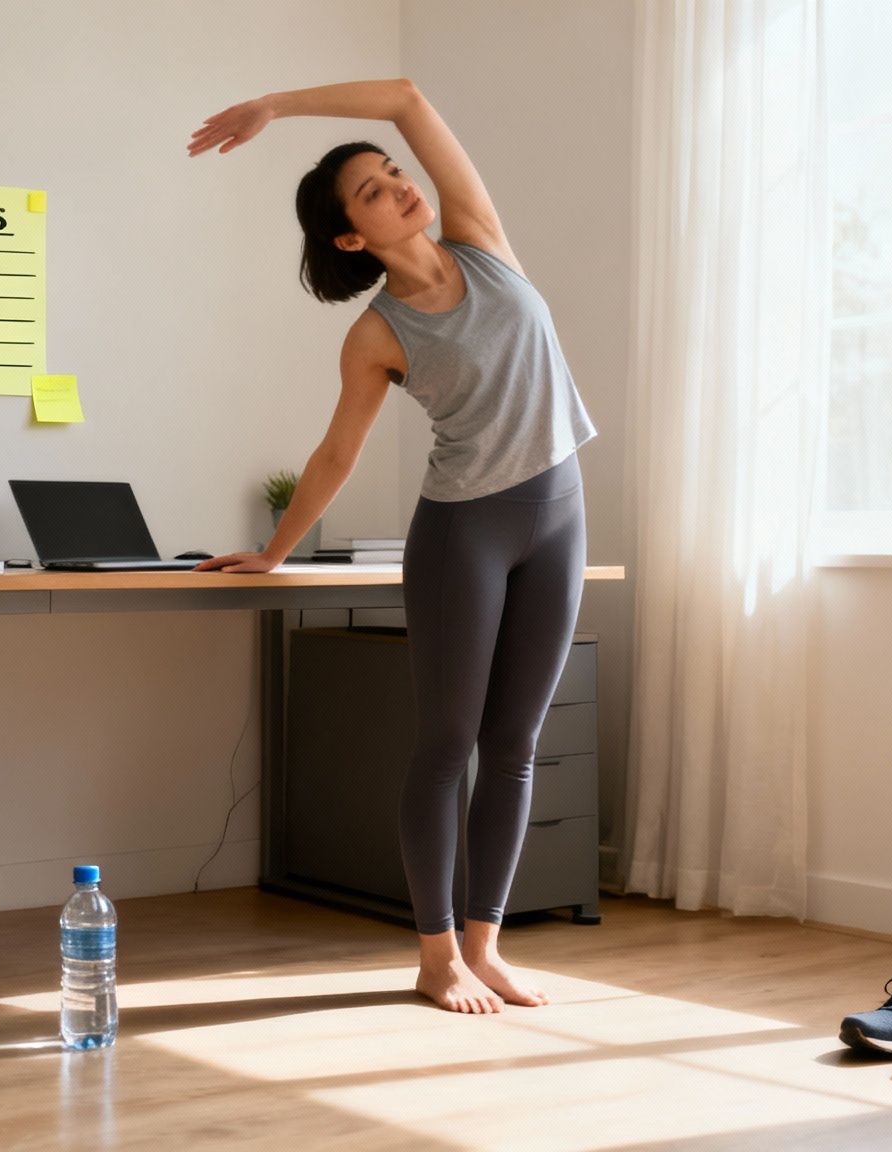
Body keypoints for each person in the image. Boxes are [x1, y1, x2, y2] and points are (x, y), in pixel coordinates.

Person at [187, 78, 597, 1015]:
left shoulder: (483, 242)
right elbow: (338, 452)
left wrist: (277, 107)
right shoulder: (378, 332)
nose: (400, 187)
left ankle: (487, 945)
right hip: (466, 532)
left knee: (516, 743)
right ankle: (435, 955)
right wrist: (274, 549)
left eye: (393, 174)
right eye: (372, 192)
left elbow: (407, 98)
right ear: (350, 238)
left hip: (560, 512)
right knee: (448, 743)